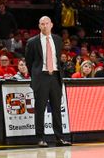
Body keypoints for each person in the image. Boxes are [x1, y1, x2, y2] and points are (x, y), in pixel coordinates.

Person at [25, 16, 71, 147]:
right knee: (40, 109)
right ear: (39, 26)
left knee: (57, 109)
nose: (45, 26)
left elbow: (57, 58)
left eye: (47, 23)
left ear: (51, 25)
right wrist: (36, 74)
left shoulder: (57, 39)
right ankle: (40, 138)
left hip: (55, 76)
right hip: (41, 77)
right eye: (42, 24)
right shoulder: (32, 42)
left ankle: (60, 138)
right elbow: (29, 62)